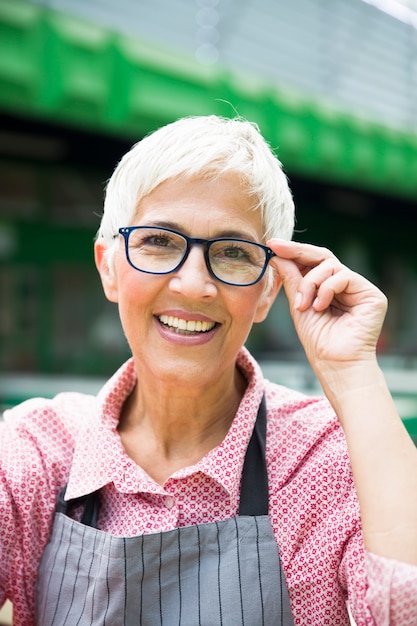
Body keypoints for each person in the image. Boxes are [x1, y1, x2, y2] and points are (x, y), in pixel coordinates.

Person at [1, 115, 417, 626]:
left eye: (234, 253)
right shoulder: (36, 451)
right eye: (159, 241)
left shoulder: (327, 462)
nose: (192, 285)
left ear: (268, 290)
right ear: (108, 266)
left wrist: (355, 375)